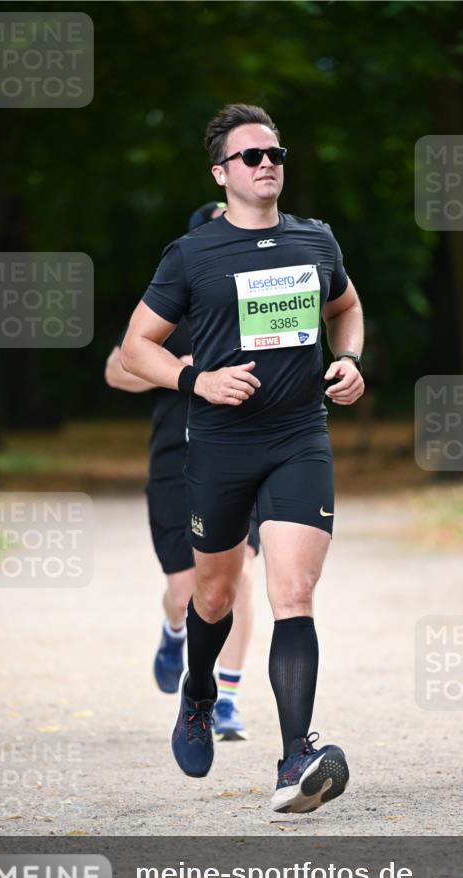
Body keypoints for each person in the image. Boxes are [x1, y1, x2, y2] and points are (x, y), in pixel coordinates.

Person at [122, 104, 365, 813]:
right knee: (215, 595)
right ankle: (199, 692)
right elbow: (138, 345)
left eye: (275, 154)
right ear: (221, 173)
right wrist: (195, 380)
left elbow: (345, 308)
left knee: (292, 594)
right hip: (223, 445)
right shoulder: (191, 254)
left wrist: (348, 360)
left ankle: (295, 761)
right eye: (251, 156)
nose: (267, 164)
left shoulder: (315, 242)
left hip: (299, 437)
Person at [105, 201, 258, 740]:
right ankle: (175, 630)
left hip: (244, 455)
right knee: (187, 590)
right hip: (177, 460)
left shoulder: (257, 301)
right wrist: (180, 371)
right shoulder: (171, 303)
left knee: (235, 581)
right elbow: (116, 371)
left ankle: (229, 699)